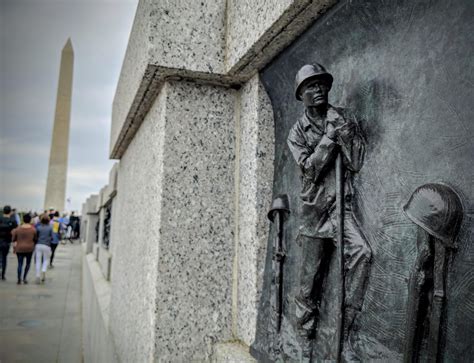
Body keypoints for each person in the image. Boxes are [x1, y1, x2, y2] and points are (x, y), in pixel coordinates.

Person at [287, 64, 372, 360]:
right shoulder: (297, 133)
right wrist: (329, 138)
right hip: (314, 213)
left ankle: (346, 331)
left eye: (322, 84)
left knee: (362, 253)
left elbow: (357, 161)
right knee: (309, 283)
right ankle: (303, 338)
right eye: (311, 86)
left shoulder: (341, 118)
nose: (319, 89)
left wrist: (343, 132)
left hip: (340, 208)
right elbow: (310, 168)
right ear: (301, 95)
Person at [12, 213, 37, 284]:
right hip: (29, 248)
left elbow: (13, 239)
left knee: (20, 264)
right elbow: (35, 239)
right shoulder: (33, 229)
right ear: (30, 220)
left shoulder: (18, 229)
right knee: (28, 264)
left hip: (19, 248)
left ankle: (19, 278)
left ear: (23, 219)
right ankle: (24, 278)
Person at [0, 205, 18, 280]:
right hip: (6, 241)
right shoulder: (12, 220)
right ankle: (3, 274)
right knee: (4, 258)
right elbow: (16, 229)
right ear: (10, 211)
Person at [35, 214, 53, 284]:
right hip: (47, 245)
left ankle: (37, 276)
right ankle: (43, 270)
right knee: (46, 260)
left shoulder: (38, 227)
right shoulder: (50, 227)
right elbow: (52, 237)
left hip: (39, 245)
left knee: (38, 261)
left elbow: (36, 236)